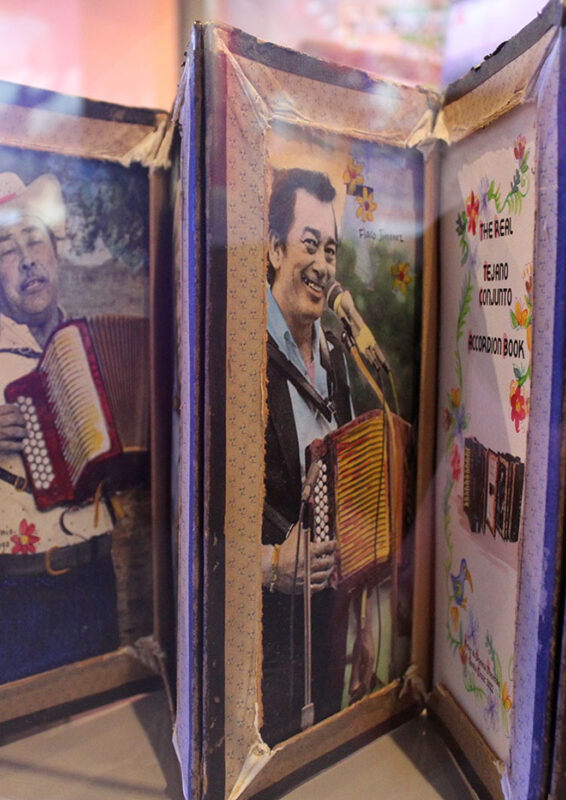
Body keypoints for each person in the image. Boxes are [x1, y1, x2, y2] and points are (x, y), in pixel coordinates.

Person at [0, 171, 117, 691]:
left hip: (95, 586)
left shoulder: (101, 352)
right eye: (5, 250)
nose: (27, 259)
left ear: (55, 255)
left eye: (35, 239)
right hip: (14, 602)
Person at [260, 168, 353, 744]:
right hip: (267, 633)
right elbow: (201, 527)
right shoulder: (241, 357)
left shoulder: (336, 356)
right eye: (308, 244)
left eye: (331, 250)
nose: (322, 265)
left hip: (328, 626)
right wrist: (271, 566)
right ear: (273, 249)